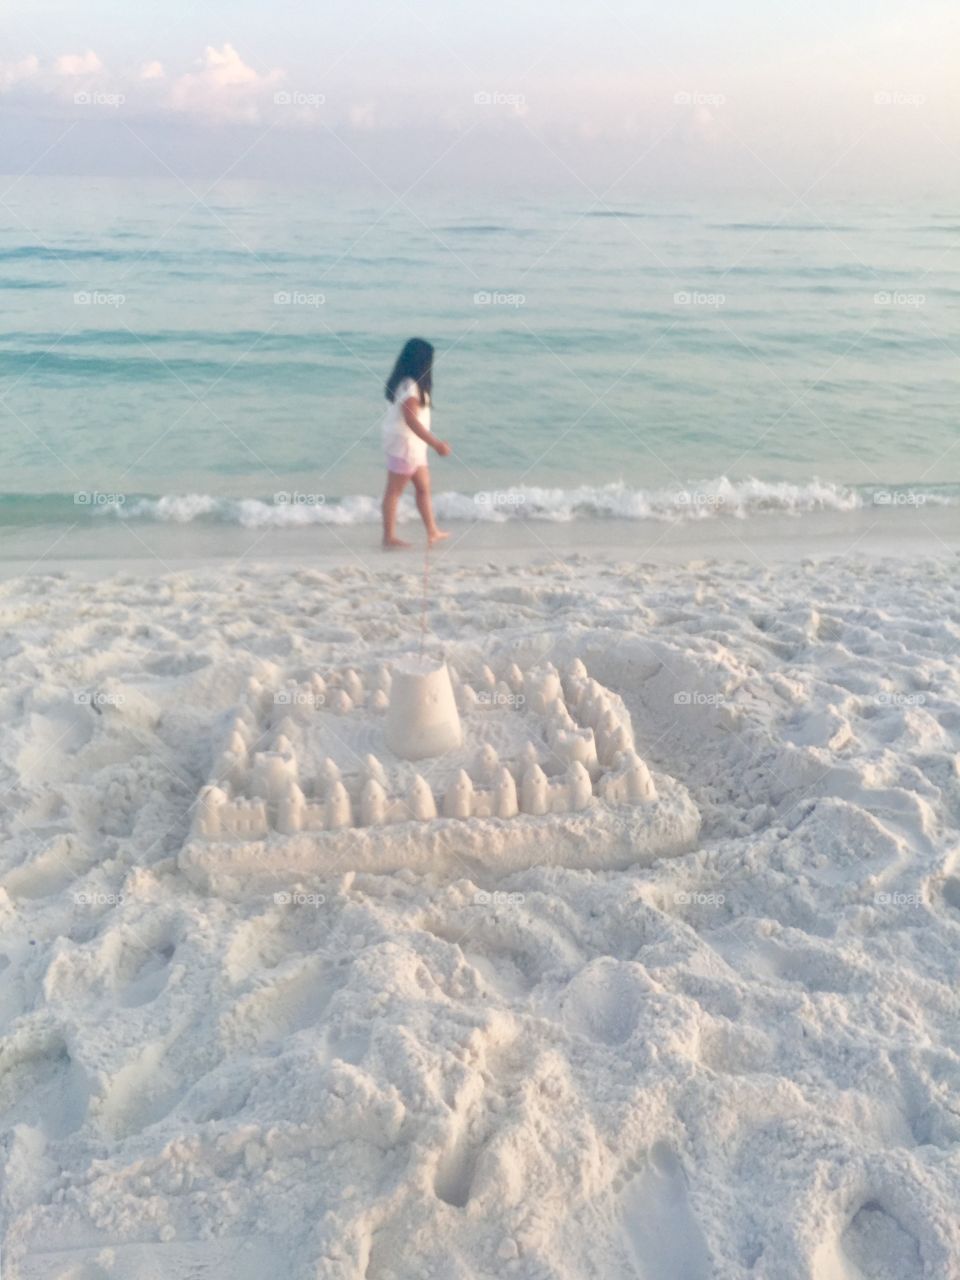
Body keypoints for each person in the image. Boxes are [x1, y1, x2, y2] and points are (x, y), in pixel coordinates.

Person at [381, 338, 451, 549]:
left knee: (423, 488)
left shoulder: (409, 383)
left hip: (413, 445)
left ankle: (432, 531)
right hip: (406, 446)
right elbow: (411, 421)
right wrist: (436, 444)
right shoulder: (410, 387)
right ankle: (388, 537)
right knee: (394, 491)